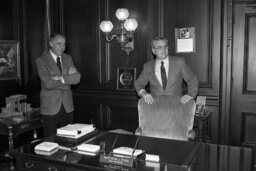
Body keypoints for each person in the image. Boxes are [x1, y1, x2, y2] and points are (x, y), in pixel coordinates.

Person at [36, 33, 81, 137]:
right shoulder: (41, 60)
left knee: (69, 139)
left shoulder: (68, 58)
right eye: (59, 43)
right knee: (50, 141)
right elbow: (47, 83)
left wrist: (60, 78)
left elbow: (77, 78)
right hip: (50, 106)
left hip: (67, 106)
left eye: (64, 44)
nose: (62, 47)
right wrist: (68, 79)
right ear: (51, 43)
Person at [134, 37, 198, 104]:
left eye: (165, 46)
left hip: (176, 106)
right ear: (153, 50)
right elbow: (138, 83)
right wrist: (143, 93)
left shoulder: (179, 62)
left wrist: (190, 94)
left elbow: (192, 79)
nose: (163, 49)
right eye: (159, 47)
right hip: (156, 107)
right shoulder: (148, 66)